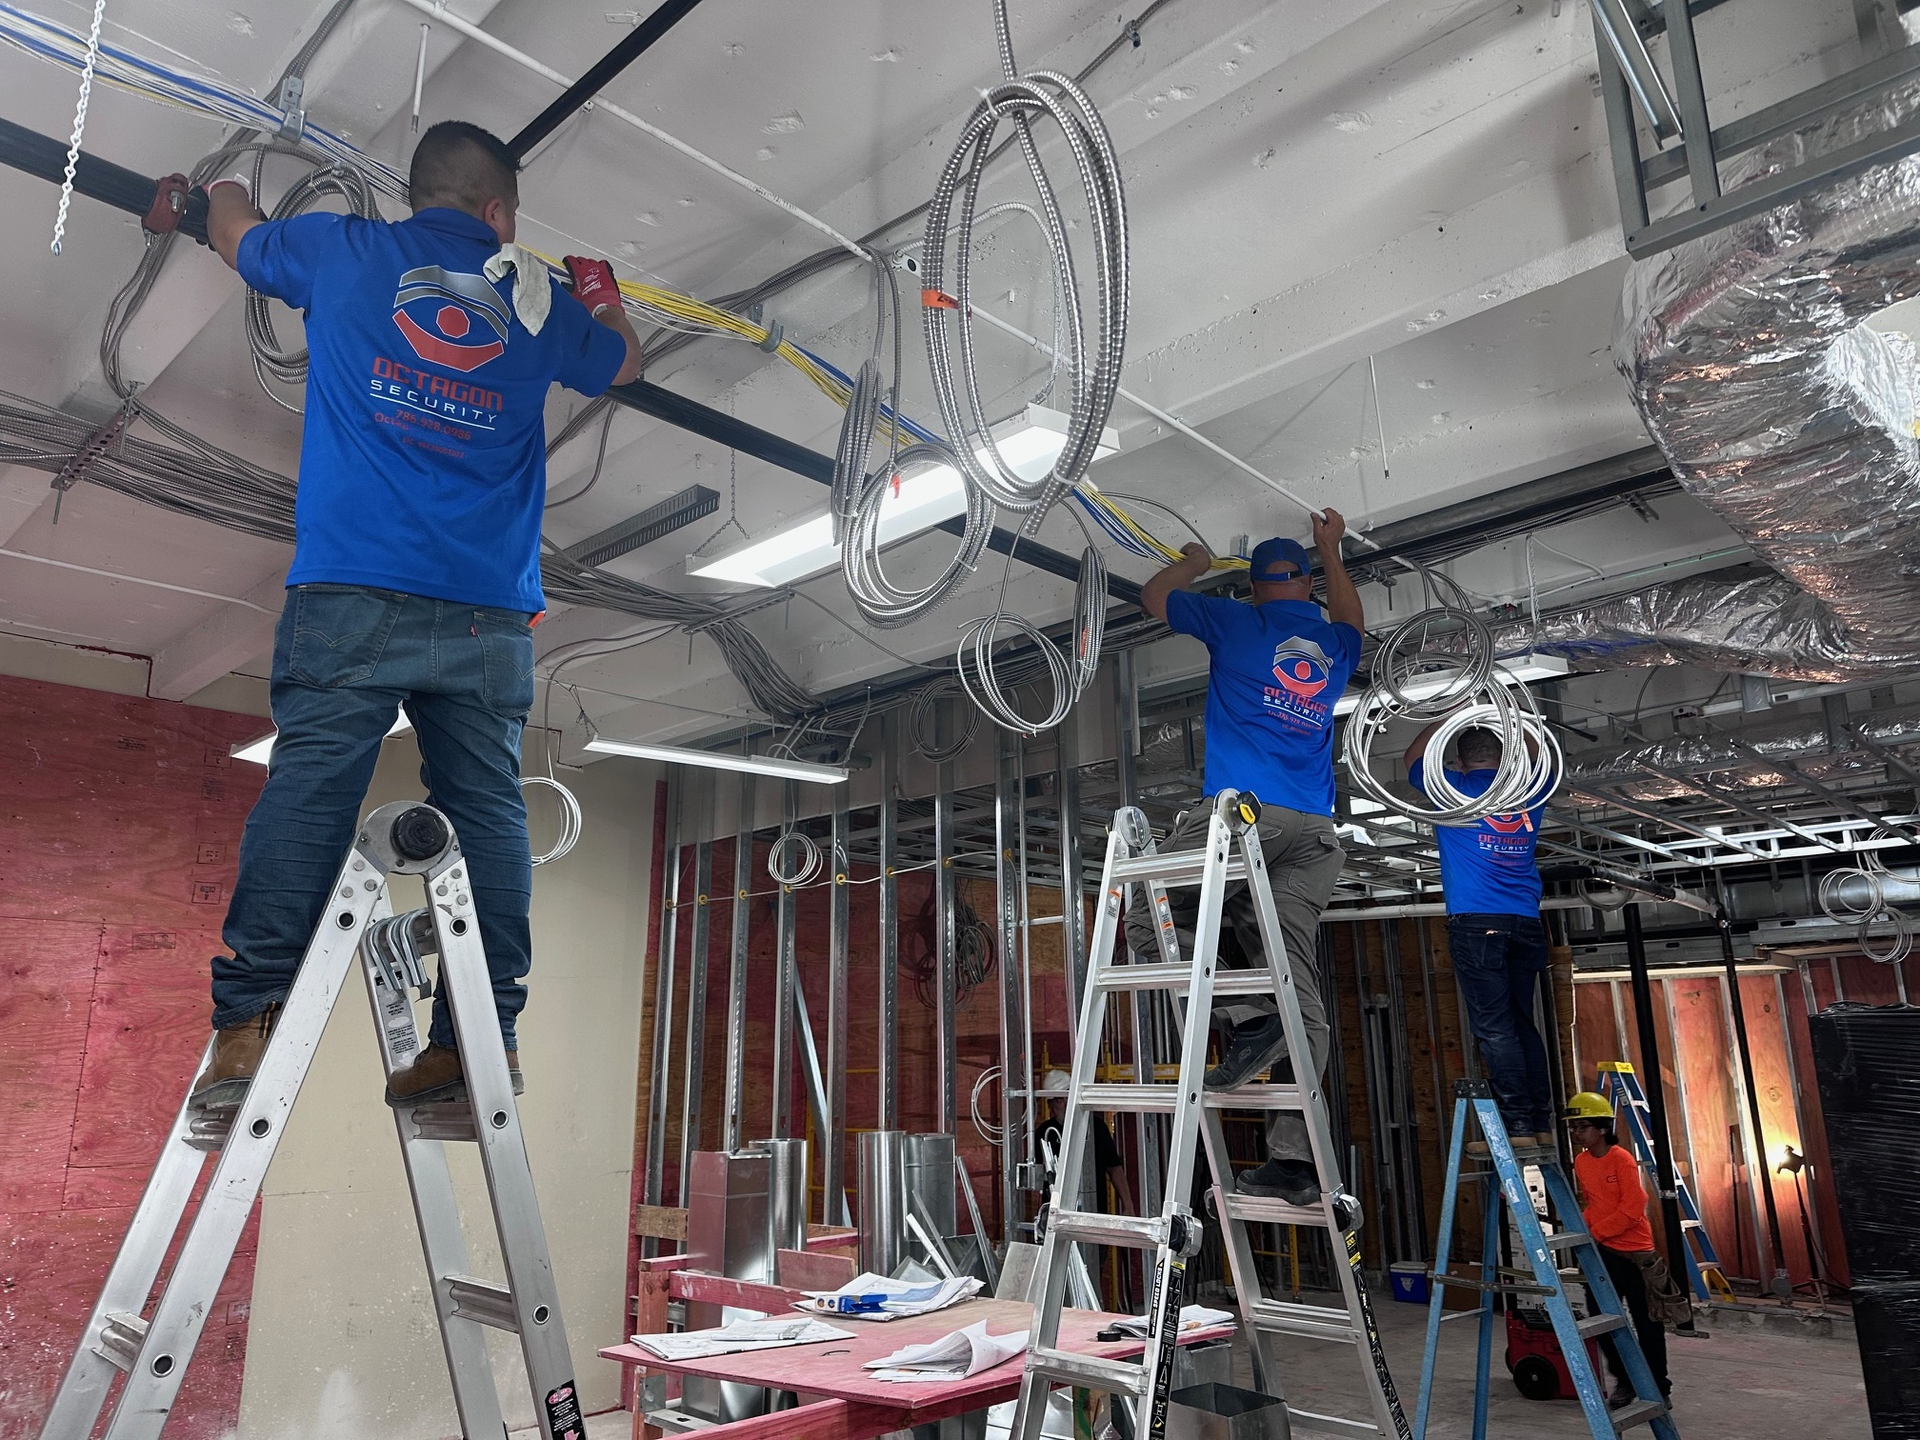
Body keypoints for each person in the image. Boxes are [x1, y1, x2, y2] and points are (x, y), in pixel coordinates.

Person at [187, 121, 641, 1111]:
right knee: (486, 818)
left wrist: (212, 185)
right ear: (500, 215)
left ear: (419, 195)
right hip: (483, 615)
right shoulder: (537, 301)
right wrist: (596, 291)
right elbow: (623, 363)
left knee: (309, 795)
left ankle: (243, 1034)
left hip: (352, 590)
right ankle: (484, 1041)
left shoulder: (345, 250)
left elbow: (238, 234)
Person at [1130, 511, 1363, 1204]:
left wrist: (1195, 562)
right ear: (1305, 588)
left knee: (1149, 916)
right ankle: (1294, 1159)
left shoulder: (1238, 624)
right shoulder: (1332, 645)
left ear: (1257, 589)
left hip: (1246, 820)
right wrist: (1334, 553)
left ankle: (1251, 1021)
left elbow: (1153, 599)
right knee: (1299, 988)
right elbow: (1351, 615)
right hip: (1314, 837)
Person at [1403, 717, 1554, 1151]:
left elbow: (1413, 758)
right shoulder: (1529, 788)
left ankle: (1517, 1129)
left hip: (1477, 925)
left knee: (1496, 1029)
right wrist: (1514, 722)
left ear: (1458, 761)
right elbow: (1540, 753)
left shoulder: (1451, 789)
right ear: (1505, 758)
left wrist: (1447, 715)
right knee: (1522, 1024)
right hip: (1526, 924)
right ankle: (1538, 1123)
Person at [1565, 1091, 1674, 1408]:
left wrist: (1596, 1232)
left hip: (1636, 1255)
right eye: (1574, 1127)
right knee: (1602, 1322)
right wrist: (1581, 1227)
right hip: (1602, 1255)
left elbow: (1634, 1205)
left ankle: (1658, 1388)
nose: (1576, 1133)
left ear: (1601, 1128)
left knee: (1648, 1325)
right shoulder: (1582, 1162)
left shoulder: (1621, 1159)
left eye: (1582, 1127)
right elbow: (1594, 1204)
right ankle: (1625, 1382)